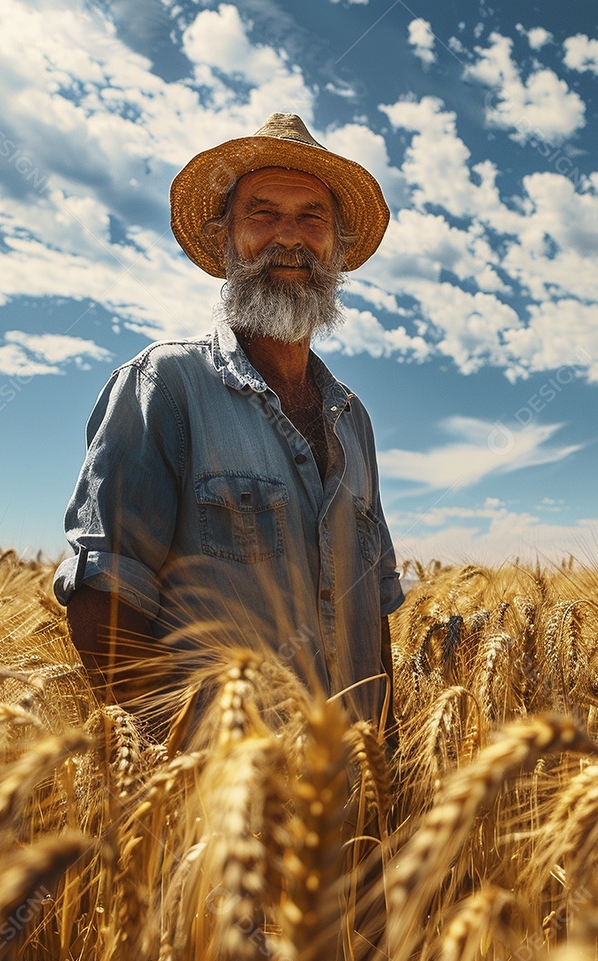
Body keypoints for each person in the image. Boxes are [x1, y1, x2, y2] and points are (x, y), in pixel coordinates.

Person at [53, 113, 404, 735]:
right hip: (220, 817)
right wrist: (192, 776)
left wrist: (389, 779)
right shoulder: (165, 388)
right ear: (224, 242)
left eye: (312, 218)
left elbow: (373, 618)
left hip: (351, 808)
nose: (288, 238)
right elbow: (103, 595)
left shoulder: (355, 420)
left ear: (337, 248)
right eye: (262, 215)